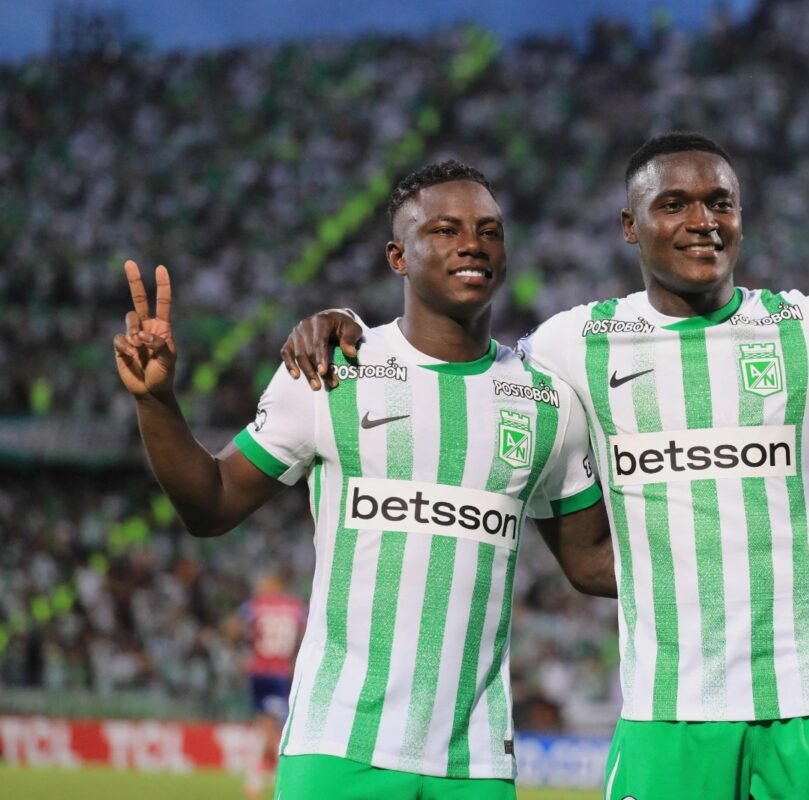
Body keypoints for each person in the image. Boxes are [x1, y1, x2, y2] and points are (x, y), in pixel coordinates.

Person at [284, 115, 809, 798]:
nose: (703, 221)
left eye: (721, 203)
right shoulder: (574, 345)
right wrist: (351, 330)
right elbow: (460, 367)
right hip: (668, 712)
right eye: (675, 204)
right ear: (631, 226)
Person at [113, 160, 617, 799]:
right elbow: (210, 505)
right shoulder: (329, 372)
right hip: (338, 747)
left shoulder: (547, 402)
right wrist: (156, 401)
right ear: (397, 257)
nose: (472, 244)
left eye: (489, 231)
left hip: (477, 763)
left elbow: (590, 563)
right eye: (444, 230)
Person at [230, 573, 306, 798]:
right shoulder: (295, 607)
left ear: (274, 585)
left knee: (268, 726)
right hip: (281, 673)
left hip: (259, 672)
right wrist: (297, 656)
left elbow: (232, 626)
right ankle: (270, 778)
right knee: (273, 727)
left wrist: (242, 648)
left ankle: (260, 779)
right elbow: (309, 628)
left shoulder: (256, 605)